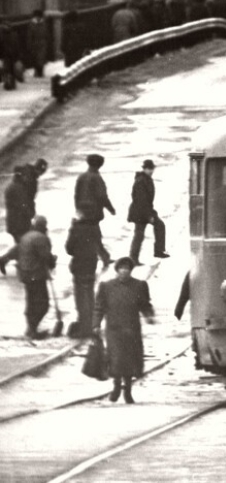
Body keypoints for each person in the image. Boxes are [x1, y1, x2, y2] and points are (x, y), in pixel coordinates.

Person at [92, 257, 155, 403]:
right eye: (121, 268)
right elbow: (99, 307)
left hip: (132, 329)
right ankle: (115, 388)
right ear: (117, 270)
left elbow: (145, 304)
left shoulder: (139, 285)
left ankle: (127, 390)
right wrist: (96, 324)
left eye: (127, 268)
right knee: (115, 360)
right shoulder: (106, 287)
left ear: (130, 271)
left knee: (130, 360)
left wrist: (149, 315)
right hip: (114, 329)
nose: (124, 271)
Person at [17, 215, 56, 339]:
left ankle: (30, 329)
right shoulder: (41, 238)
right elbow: (46, 256)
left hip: (26, 276)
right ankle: (32, 330)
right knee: (43, 304)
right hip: (37, 275)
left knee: (31, 302)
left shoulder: (25, 236)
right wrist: (52, 261)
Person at [65, 207, 101, 338]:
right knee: (90, 295)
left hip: (79, 266)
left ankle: (84, 327)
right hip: (91, 265)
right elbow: (98, 245)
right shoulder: (95, 227)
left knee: (80, 298)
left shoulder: (76, 228)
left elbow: (69, 249)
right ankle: (91, 325)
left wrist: (72, 227)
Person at [74, 154, 115, 267]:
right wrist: (110, 209)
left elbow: (76, 195)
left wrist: (78, 209)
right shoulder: (97, 178)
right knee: (94, 235)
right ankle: (102, 258)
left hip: (83, 212)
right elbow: (102, 196)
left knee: (90, 234)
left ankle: (104, 256)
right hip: (93, 213)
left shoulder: (82, 177)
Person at [127, 159, 169, 265]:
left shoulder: (146, 179)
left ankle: (156, 252)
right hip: (140, 212)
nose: (151, 171)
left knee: (146, 232)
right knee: (140, 234)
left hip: (143, 210)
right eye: (149, 169)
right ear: (144, 169)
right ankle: (134, 258)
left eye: (152, 169)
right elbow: (142, 201)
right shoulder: (141, 180)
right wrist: (149, 216)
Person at [0, 167, 35, 276]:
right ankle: (5, 260)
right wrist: (31, 214)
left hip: (15, 223)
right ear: (21, 176)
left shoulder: (13, 186)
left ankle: (17, 264)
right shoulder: (18, 188)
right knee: (24, 245)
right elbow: (23, 206)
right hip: (19, 224)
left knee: (22, 245)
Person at [26, 10, 48, 78]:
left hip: (40, 44)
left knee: (40, 59)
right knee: (37, 59)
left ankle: (40, 72)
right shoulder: (41, 24)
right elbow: (29, 36)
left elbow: (46, 35)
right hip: (37, 44)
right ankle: (38, 71)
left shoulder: (33, 24)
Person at [1, 22, 22, 90]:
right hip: (12, 55)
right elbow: (17, 46)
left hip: (6, 55)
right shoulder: (14, 34)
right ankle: (12, 84)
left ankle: (8, 84)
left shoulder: (2, 35)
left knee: (7, 70)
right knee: (11, 70)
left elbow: (1, 46)